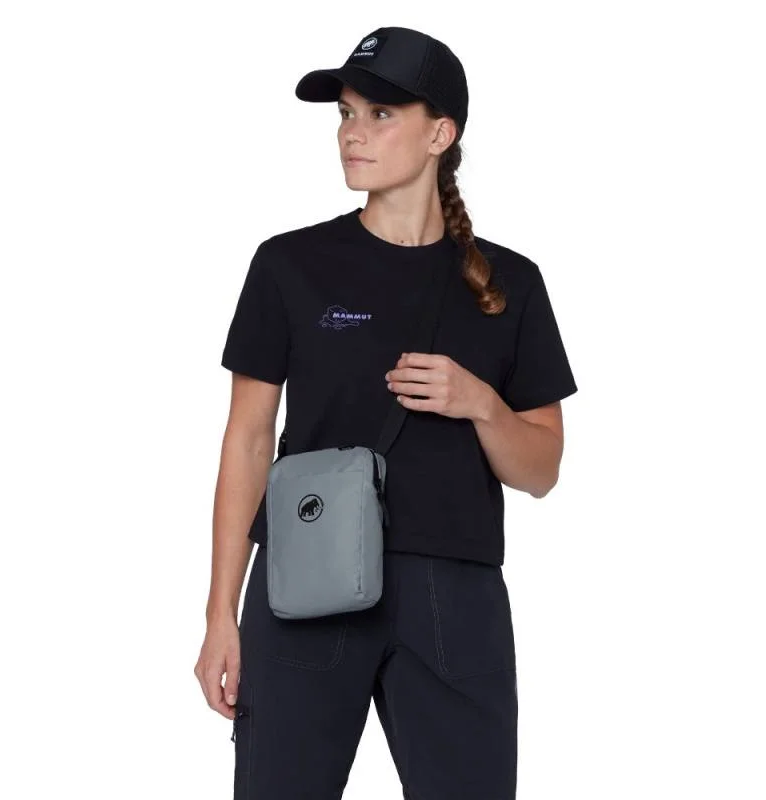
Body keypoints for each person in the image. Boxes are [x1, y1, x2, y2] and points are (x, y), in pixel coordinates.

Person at [194, 25, 578, 800]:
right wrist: (219, 614)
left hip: (453, 594)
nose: (351, 133)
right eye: (345, 113)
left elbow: (541, 471)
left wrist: (480, 403)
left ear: (441, 134)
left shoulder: (511, 284)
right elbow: (247, 442)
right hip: (305, 584)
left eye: (380, 114)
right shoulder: (288, 265)